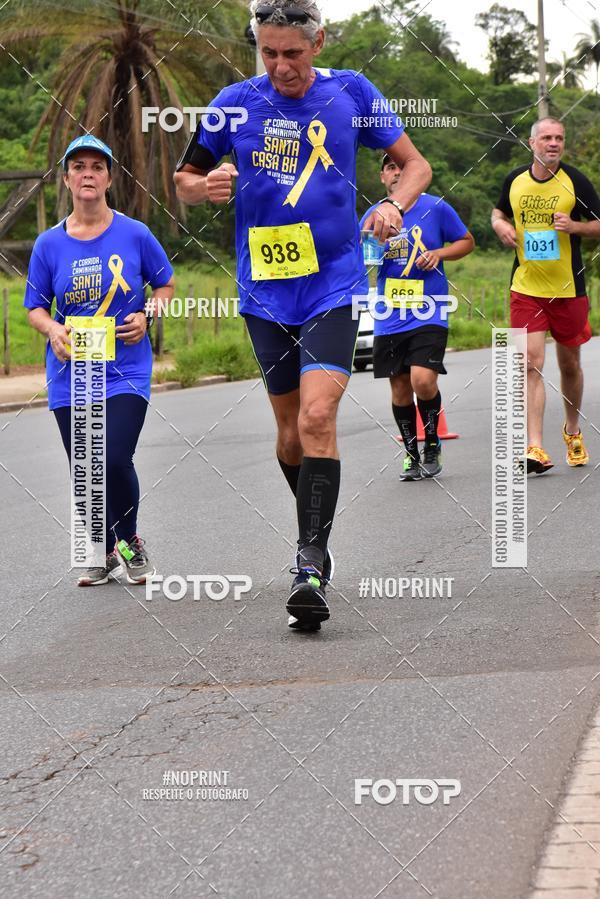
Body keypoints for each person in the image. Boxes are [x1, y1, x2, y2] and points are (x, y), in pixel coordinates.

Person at [174, 0, 431, 630]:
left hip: (332, 286)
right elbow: (184, 176)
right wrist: (200, 188)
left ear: (319, 42)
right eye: (269, 51)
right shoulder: (234, 101)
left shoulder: (351, 92)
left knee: (320, 415)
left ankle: (309, 561)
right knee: (289, 435)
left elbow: (416, 164)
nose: (281, 65)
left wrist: (394, 204)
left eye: (292, 51)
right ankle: (314, 532)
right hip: (264, 292)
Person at [24, 135, 175, 585]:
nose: (88, 173)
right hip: (71, 374)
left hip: (124, 369)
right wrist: (53, 329)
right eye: (79, 167)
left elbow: (165, 286)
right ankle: (102, 550)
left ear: (109, 178)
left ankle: (128, 540)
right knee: (85, 469)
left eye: (97, 166)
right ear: (67, 178)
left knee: (113, 457)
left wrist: (147, 314)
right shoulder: (48, 245)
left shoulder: (135, 233)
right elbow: (35, 307)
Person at [492, 117, 600, 473]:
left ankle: (572, 430)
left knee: (569, 365)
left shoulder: (574, 181)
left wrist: (576, 227)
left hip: (568, 289)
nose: (554, 144)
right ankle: (534, 447)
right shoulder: (515, 180)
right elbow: (498, 211)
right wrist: (501, 225)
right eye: (547, 138)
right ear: (532, 142)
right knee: (529, 363)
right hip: (526, 287)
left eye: (559, 138)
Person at [360, 154, 474, 480]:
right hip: (390, 314)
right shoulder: (373, 214)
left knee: (422, 380)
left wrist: (439, 253)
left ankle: (433, 443)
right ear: (383, 177)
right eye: (391, 168)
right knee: (399, 389)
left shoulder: (435, 207)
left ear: (415, 174)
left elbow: (467, 242)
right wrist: (372, 250)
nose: (397, 172)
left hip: (429, 311)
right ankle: (411, 452)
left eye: (402, 167)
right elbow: (364, 260)